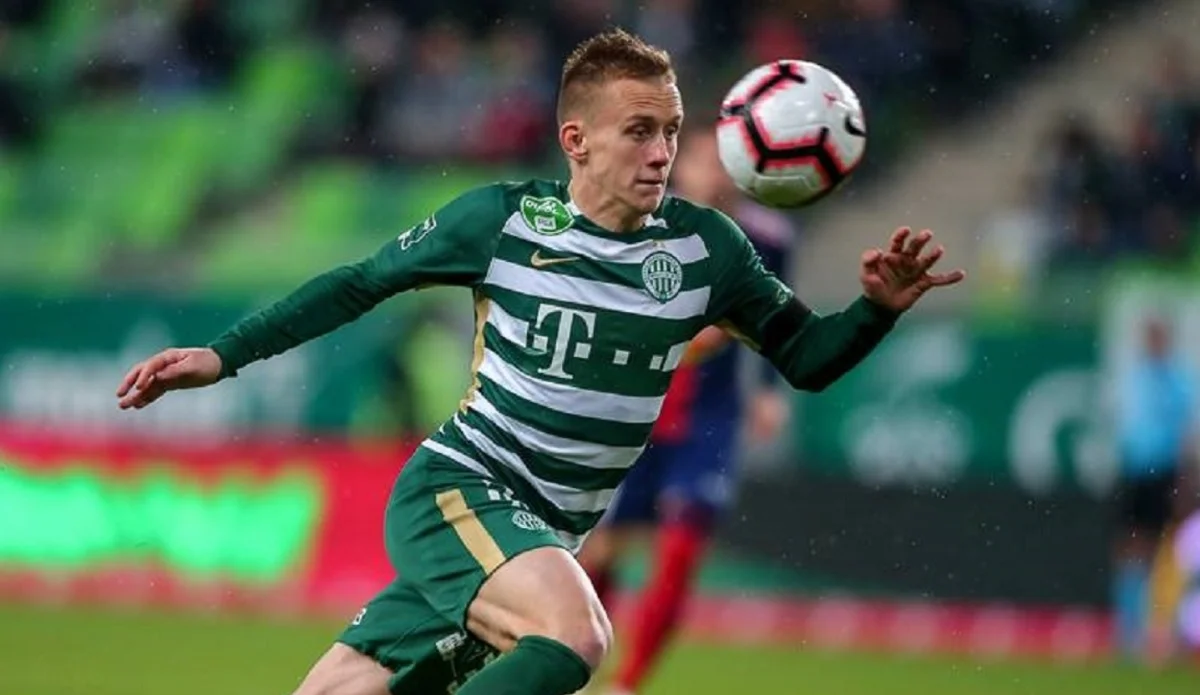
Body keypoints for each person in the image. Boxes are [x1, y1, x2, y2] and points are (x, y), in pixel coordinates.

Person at [114, 28, 964, 695]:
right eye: (639, 131)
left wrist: (876, 310)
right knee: (574, 635)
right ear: (576, 139)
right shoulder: (503, 221)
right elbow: (359, 283)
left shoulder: (709, 249)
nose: (662, 152)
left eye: (671, 131)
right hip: (460, 491)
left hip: (540, 533)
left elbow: (808, 358)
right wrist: (222, 355)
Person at [574, 124, 795, 695]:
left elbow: (776, 317)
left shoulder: (768, 237)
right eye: (703, 160)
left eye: (725, 163)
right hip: (637, 409)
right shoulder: (642, 223)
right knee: (601, 551)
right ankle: (574, 666)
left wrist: (769, 389)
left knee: (681, 546)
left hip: (709, 418)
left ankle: (628, 684)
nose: (714, 173)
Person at [1113, 317, 1196, 661]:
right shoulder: (1135, 377)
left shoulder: (1178, 380)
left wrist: (1185, 477)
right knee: (1132, 546)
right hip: (1137, 470)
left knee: (1165, 550)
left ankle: (1163, 631)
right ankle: (1129, 630)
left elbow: (1186, 431)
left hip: (1162, 472)